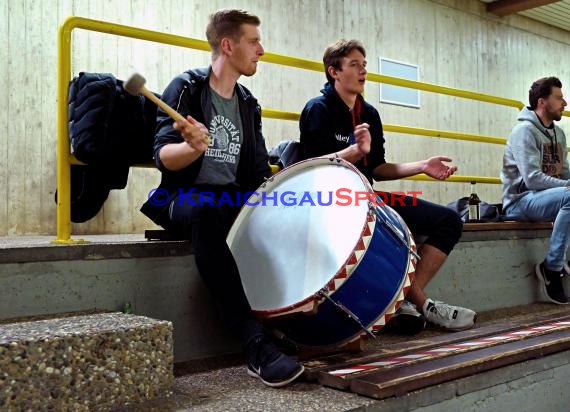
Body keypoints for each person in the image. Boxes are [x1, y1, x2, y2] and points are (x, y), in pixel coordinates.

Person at [140, 9, 304, 387]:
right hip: (182, 196)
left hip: (231, 198)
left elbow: (258, 170)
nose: (261, 50)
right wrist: (192, 149)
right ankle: (253, 344)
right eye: (254, 41)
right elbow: (163, 155)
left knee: (285, 214)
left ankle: (284, 320)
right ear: (228, 45)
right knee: (208, 212)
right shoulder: (187, 87)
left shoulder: (248, 102)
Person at [299, 39, 477, 334]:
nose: (363, 71)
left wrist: (421, 166)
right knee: (393, 230)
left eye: (364, 65)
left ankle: (402, 299)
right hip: (333, 201)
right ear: (334, 71)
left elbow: (379, 168)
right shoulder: (317, 108)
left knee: (448, 220)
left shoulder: (369, 113)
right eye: (354, 65)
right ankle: (424, 304)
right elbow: (311, 168)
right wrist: (352, 153)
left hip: (369, 197)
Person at [501, 77, 570, 305]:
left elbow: (564, 172)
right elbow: (531, 179)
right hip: (520, 201)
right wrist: (567, 186)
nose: (565, 103)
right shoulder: (524, 131)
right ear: (542, 102)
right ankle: (552, 268)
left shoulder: (559, 134)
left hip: (548, 199)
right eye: (559, 98)